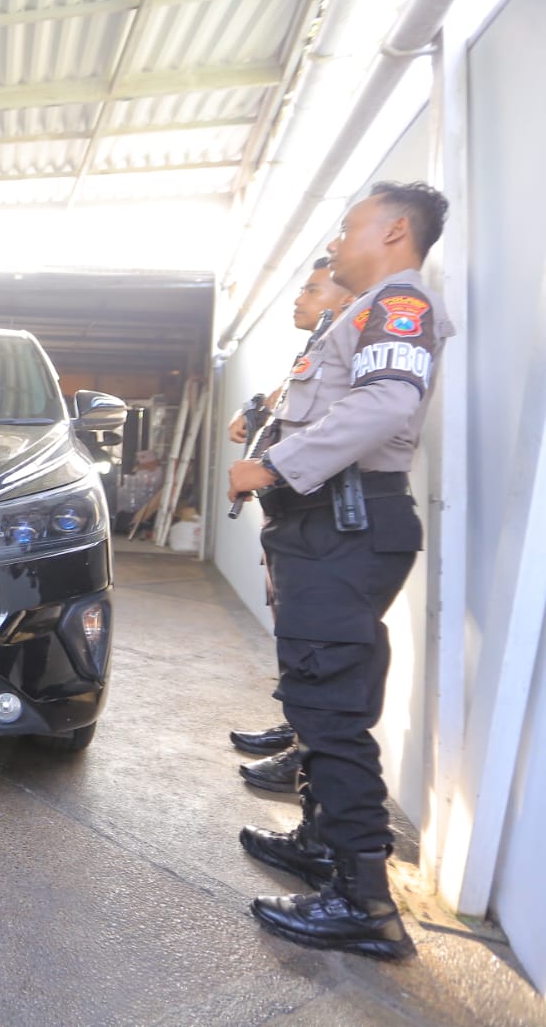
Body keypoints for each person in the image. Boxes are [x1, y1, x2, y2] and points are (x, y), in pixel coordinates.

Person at [227, 181, 454, 959]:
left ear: (394, 232)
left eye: (349, 227)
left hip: (344, 528)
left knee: (327, 712)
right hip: (331, 529)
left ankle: (363, 903)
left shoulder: (400, 306)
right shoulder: (363, 311)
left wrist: (272, 468)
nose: (335, 243)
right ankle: (323, 843)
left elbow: (387, 406)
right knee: (322, 696)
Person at [228, 258, 355, 795]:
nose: (297, 298)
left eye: (311, 288)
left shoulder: (353, 342)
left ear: (344, 299)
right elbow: (290, 399)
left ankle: (306, 751)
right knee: (290, 630)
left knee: (313, 642)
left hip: (320, 516)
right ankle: (295, 727)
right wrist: (256, 408)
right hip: (288, 513)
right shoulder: (314, 351)